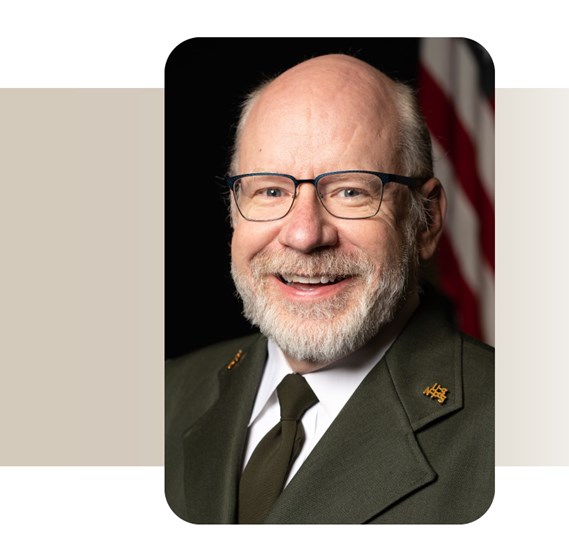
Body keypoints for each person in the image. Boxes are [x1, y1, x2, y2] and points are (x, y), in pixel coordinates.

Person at [165, 52, 494, 524]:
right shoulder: (166, 394)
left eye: (351, 191)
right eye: (271, 191)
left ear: (426, 222)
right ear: (234, 210)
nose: (304, 235)